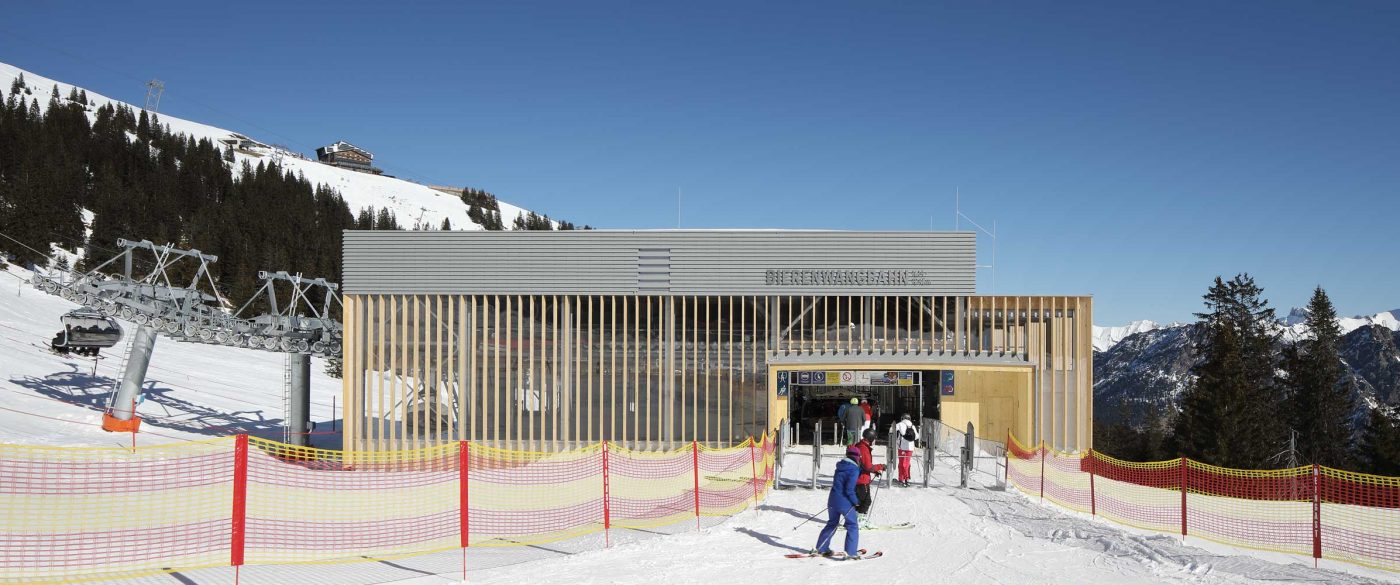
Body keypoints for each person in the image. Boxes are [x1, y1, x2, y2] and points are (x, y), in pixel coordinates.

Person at [813, 445, 862, 558]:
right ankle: (850, 552)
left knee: (832, 524)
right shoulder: (854, 469)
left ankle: (821, 548)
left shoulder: (840, 466)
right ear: (856, 457)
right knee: (852, 525)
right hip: (845, 502)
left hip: (832, 500)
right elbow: (849, 489)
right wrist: (856, 501)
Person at [854, 427, 885, 528]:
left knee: (859, 500)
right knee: (866, 501)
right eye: (874, 438)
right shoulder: (864, 448)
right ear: (870, 438)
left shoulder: (860, 445)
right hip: (861, 479)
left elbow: (864, 464)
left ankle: (854, 520)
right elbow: (868, 466)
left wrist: (875, 470)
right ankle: (860, 521)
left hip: (857, 477)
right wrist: (881, 466)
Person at [892, 413, 919, 487]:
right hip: (910, 448)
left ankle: (903, 479)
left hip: (902, 447)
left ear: (902, 418)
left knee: (902, 463)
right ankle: (906, 479)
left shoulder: (900, 424)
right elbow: (917, 436)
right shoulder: (912, 426)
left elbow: (891, 430)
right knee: (907, 463)